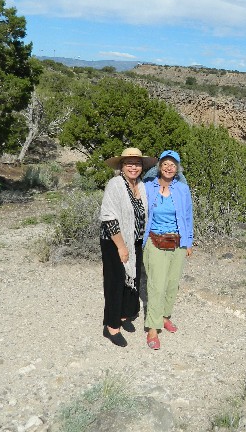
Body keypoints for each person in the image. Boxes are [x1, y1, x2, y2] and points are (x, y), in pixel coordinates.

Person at [100, 147, 157, 347]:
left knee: (131, 278)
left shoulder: (140, 185)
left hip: (135, 240)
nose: (134, 167)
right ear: (122, 166)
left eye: (137, 163)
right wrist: (121, 246)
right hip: (114, 241)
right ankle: (111, 326)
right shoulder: (115, 184)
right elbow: (109, 217)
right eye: (129, 163)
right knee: (115, 282)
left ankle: (124, 315)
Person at [142, 150, 193, 350]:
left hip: (178, 242)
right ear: (159, 166)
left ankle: (164, 316)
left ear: (177, 168)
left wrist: (189, 242)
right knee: (157, 284)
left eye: (173, 165)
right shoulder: (148, 187)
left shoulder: (182, 189)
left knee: (172, 283)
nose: (169, 168)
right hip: (154, 240)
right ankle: (153, 328)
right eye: (166, 164)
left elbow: (188, 216)